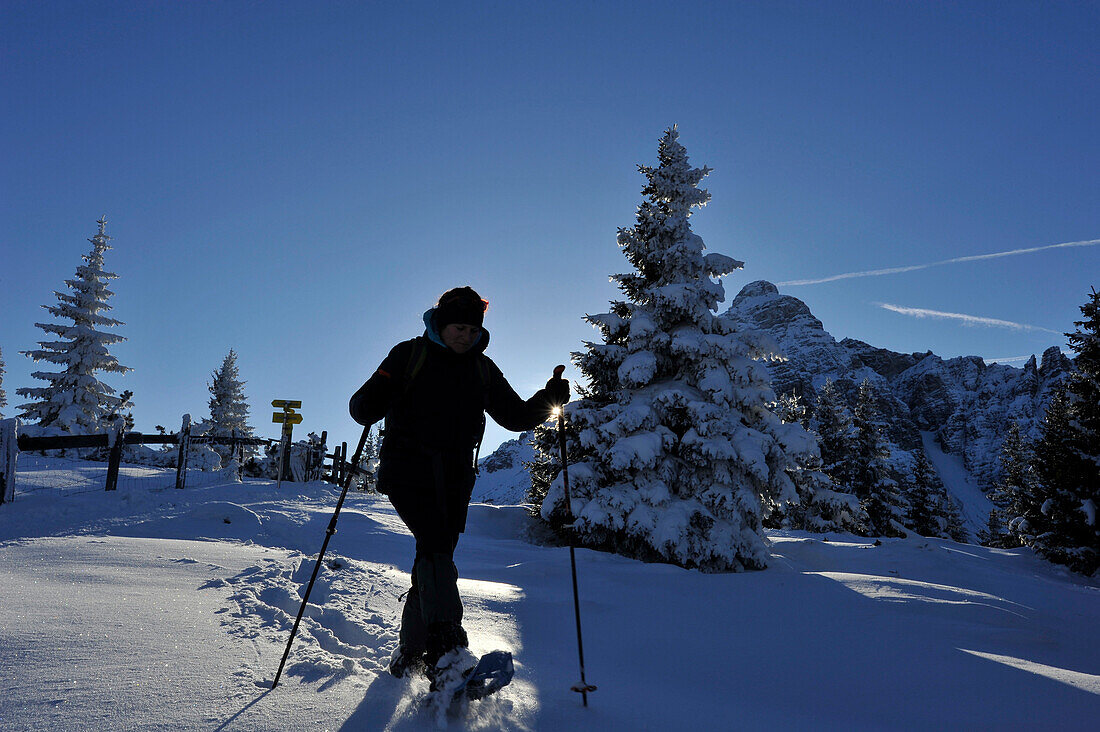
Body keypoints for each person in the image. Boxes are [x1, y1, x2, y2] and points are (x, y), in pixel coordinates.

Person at [349, 286, 568, 687]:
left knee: (434, 558)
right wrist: (379, 394)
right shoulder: (409, 354)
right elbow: (360, 406)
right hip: (406, 471)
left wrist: (548, 398)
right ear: (441, 323)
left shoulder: (482, 369)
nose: (465, 335)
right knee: (434, 548)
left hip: (453, 480)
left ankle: (411, 654)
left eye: (471, 329)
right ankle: (447, 651)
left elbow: (515, 415)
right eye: (458, 327)